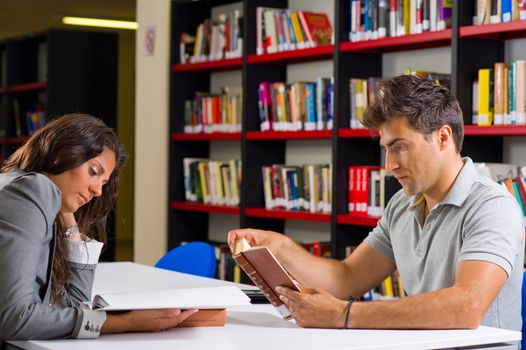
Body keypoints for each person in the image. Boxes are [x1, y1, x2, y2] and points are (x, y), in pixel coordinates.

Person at [228, 75, 525, 330]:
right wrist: (281, 249)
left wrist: (342, 316)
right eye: (386, 149)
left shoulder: (492, 207)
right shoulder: (402, 205)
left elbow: (467, 305)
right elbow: (347, 279)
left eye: (400, 147)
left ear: (443, 138)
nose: (389, 165)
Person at [0, 114, 197, 344]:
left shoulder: (22, 186)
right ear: (61, 153)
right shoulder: (33, 190)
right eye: (93, 172)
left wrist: (68, 219)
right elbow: (14, 319)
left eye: (103, 183)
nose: (98, 191)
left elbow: (74, 304)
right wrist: (125, 323)